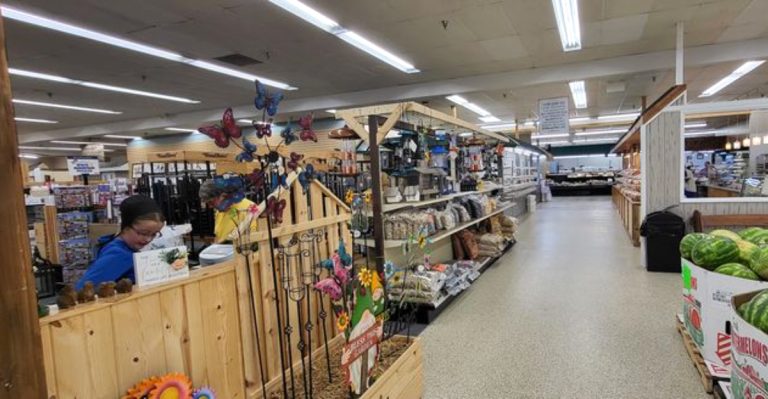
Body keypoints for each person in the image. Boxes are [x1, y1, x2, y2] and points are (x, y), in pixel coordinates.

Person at [75, 195, 164, 290]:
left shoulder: (124, 246)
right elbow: (83, 289)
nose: (148, 239)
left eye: (154, 234)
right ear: (126, 227)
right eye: (143, 233)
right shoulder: (119, 254)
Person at [199, 179, 256, 243]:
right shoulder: (220, 212)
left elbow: (256, 240)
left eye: (211, 202)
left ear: (223, 195)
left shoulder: (250, 208)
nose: (210, 206)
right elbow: (218, 235)